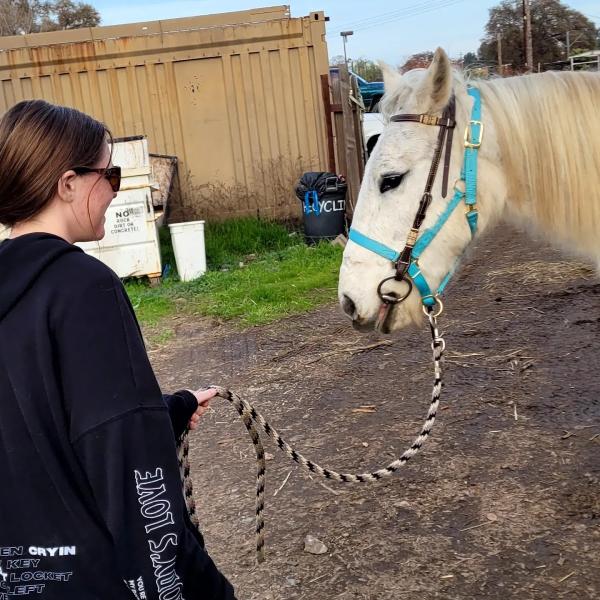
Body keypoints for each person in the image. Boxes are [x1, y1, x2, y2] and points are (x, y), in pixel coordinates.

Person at [0, 100, 236, 599]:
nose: (115, 187)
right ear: (67, 184)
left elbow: (33, 431)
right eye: (109, 173)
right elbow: (130, 469)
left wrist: (166, 412)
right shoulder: (84, 287)